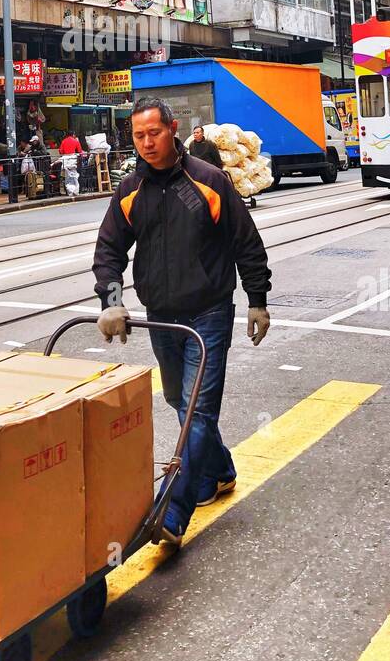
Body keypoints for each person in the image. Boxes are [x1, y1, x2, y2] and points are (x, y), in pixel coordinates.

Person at [93, 97, 271, 548]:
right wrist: (112, 301)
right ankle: (219, 469)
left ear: (172, 130)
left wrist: (257, 300)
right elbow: (109, 250)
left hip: (209, 313)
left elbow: (245, 242)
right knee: (178, 400)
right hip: (161, 319)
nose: (148, 143)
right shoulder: (131, 189)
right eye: (138, 136)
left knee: (196, 410)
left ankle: (171, 512)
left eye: (154, 133)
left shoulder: (208, 181)